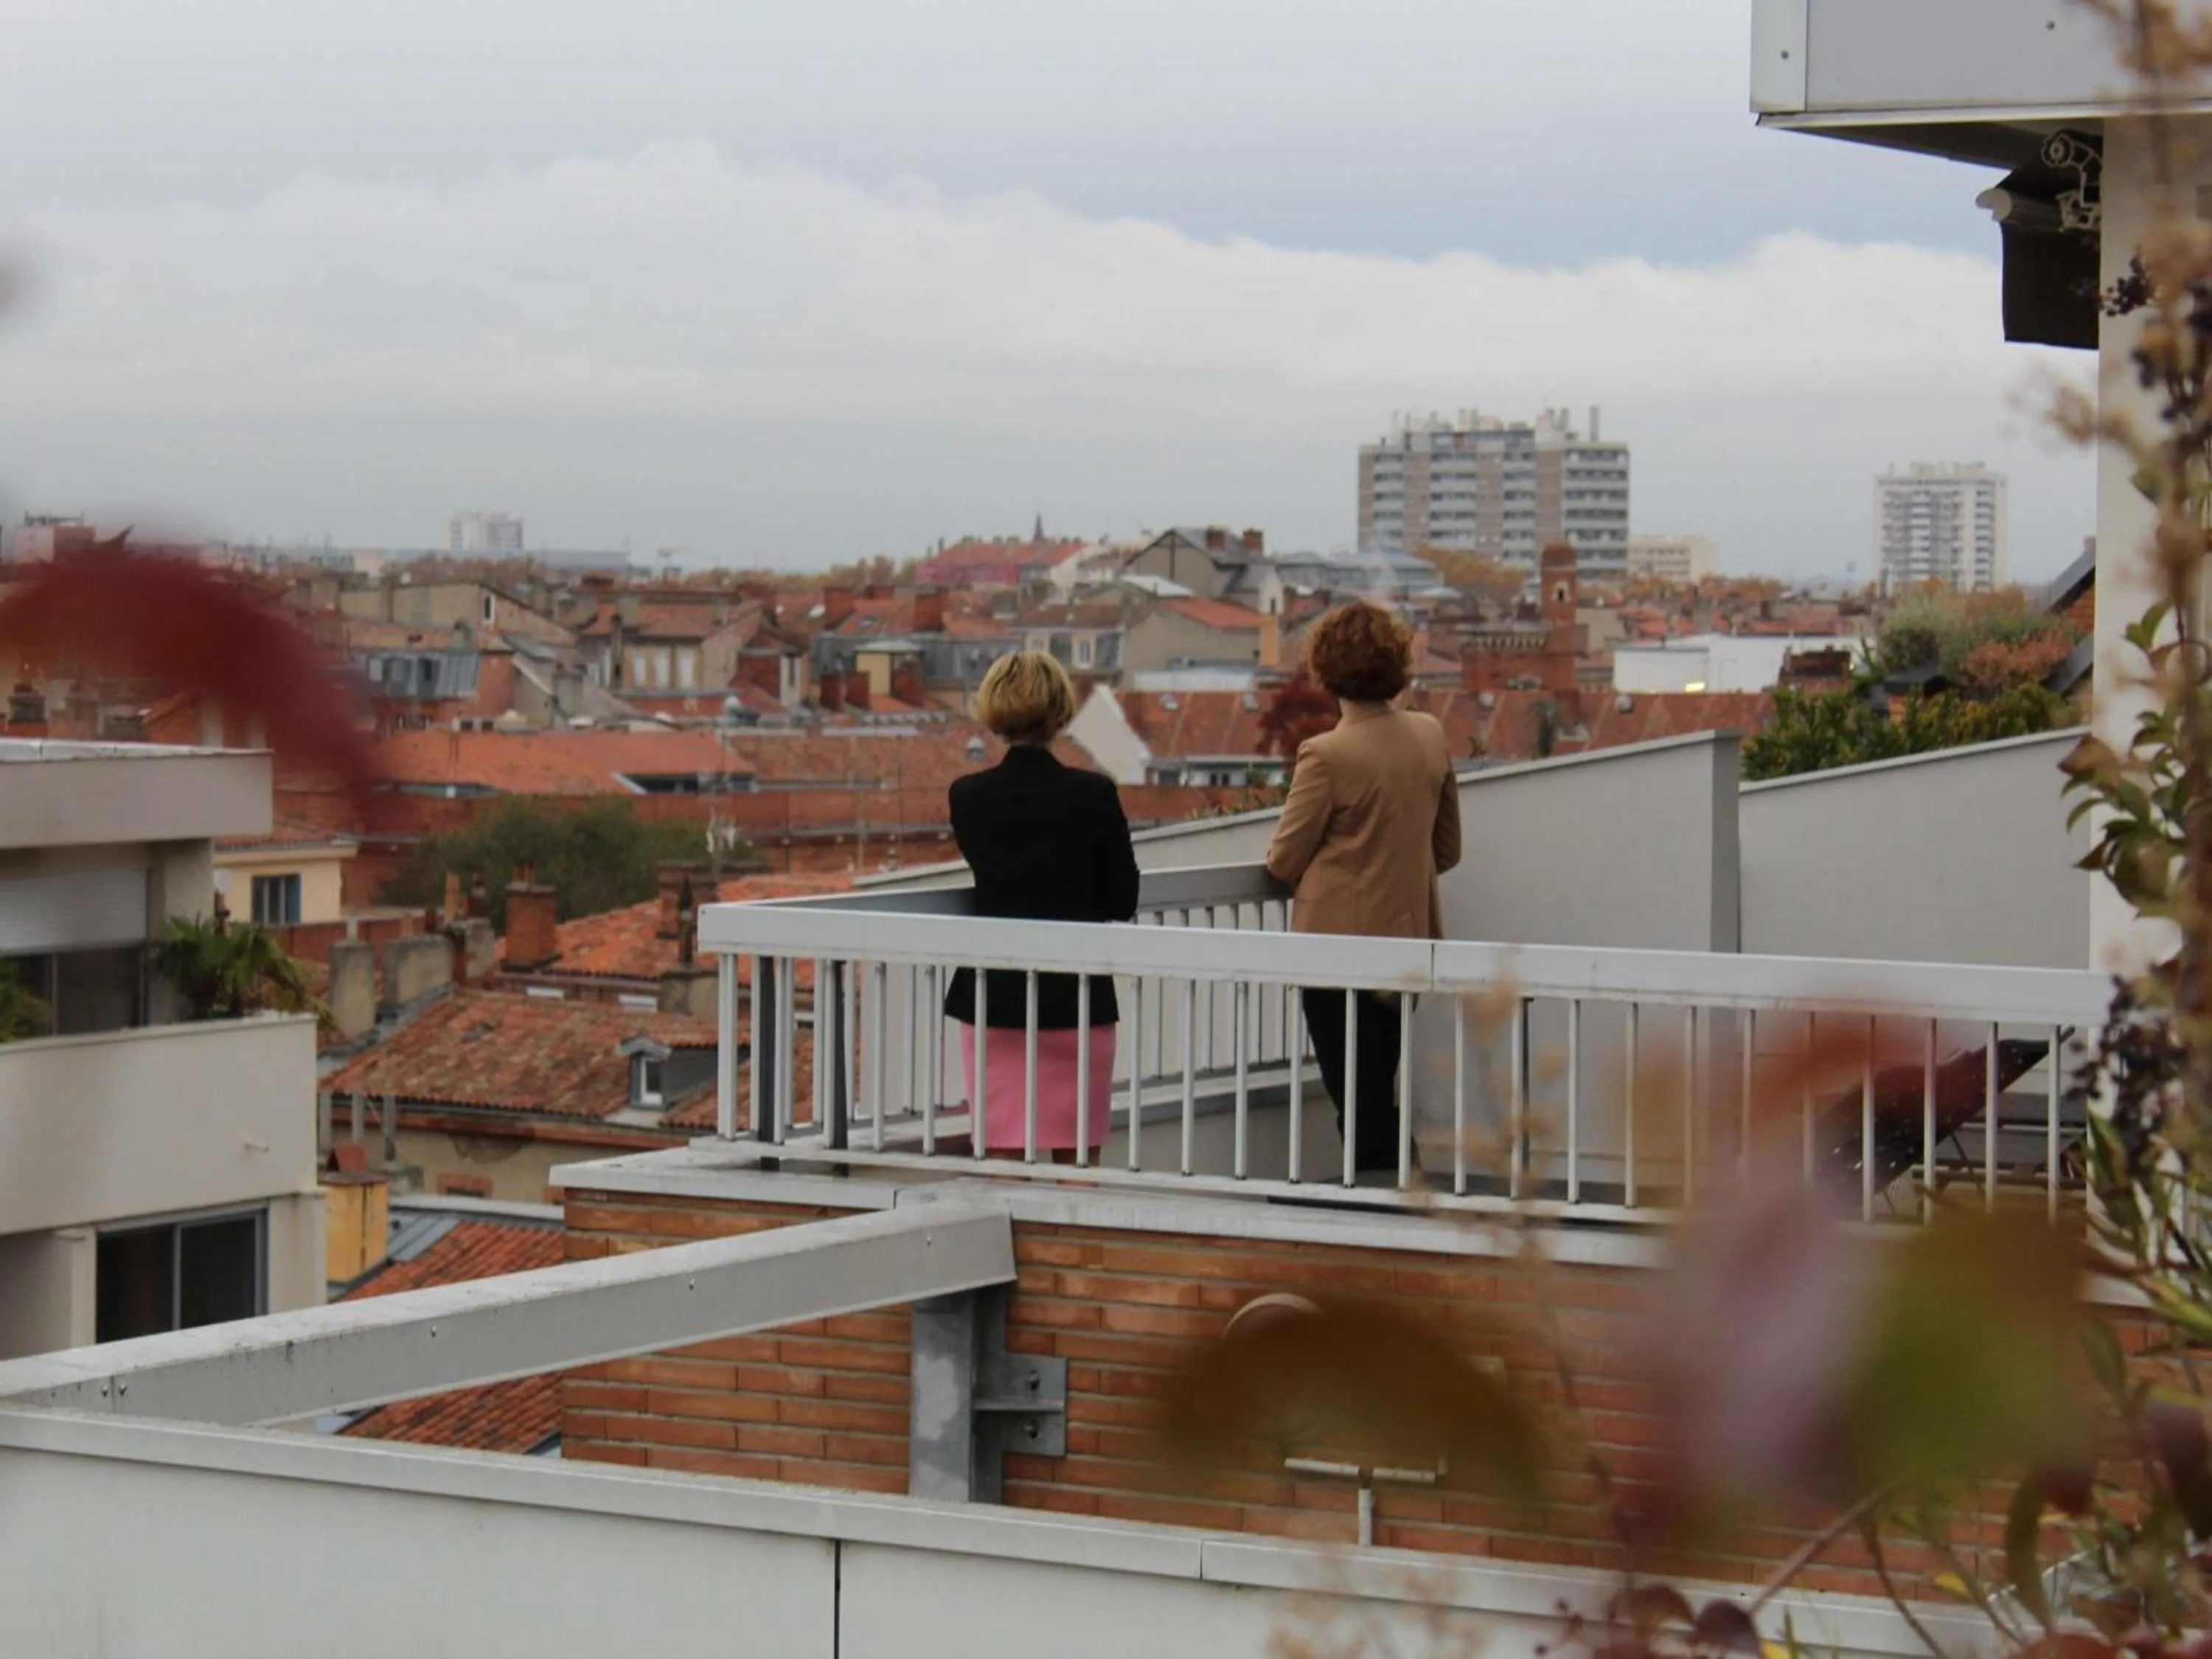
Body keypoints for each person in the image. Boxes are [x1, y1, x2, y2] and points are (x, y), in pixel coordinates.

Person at [1264, 601, 1461, 1177]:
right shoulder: (1429, 735)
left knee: (1353, 1086)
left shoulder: (1327, 754)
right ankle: (1392, 1182)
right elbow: (1447, 849)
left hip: (1335, 949)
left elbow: (1282, 859)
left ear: (1325, 670)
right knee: (1376, 1077)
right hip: (1407, 942)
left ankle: (1381, 1192)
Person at [945, 651, 1140, 1158]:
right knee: (1078, 1161)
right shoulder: (1092, 794)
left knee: (1003, 1152)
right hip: (1075, 993)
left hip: (995, 996)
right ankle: (1075, 1240)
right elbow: (1123, 899)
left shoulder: (967, 797)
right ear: (1060, 711)